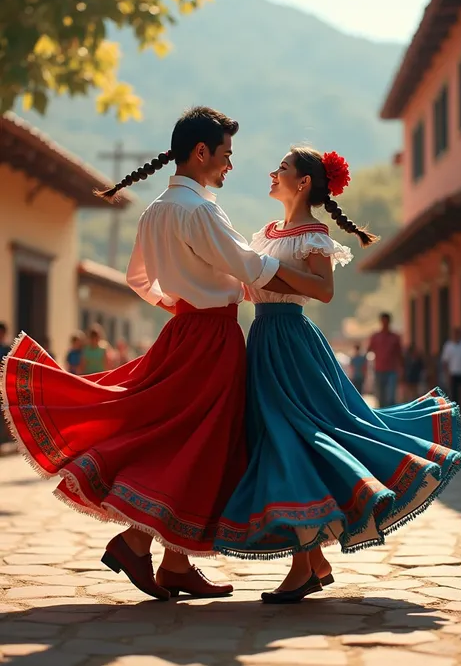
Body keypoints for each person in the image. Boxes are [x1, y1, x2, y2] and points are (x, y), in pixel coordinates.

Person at [0, 106, 301, 602]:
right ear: (200, 152)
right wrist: (306, 279)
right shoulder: (200, 210)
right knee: (202, 440)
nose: (230, 166)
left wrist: (178, 301)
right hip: (212, 338)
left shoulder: (156, 209)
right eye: (225, 155)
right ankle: (140, 543)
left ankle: (172, 560)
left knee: (178, 435)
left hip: (182, 329)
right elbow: (247, 264)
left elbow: (139, 280)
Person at [214, 146, 461, 603]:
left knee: (299, 438)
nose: (273, 173)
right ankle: (313, 561)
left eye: (283, 168)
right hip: (263, 339)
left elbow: (324, 292)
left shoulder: (314, 234)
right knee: (276, 437)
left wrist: (270, 275)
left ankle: (304, 563)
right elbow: (252, 277)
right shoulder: (265, 232)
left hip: (291, 341)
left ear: (304, 182)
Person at [368, 313, 402, 408]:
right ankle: (382, 417)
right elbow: (368, 351)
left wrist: (402, 370)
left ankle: (392, 416)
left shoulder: (395, 337)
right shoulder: (375, 337)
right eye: (383, 321)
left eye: (386, 322)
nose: (385, 324)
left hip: (392, 370)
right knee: (380, 397)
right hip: (379, 370)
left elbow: (399, 354)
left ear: (389, 322)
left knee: (391, 397)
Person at [441, 328, 461, 420]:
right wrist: (447, 374)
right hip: (453, 373)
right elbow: (445, 362)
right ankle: (455, 413)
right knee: (454, 394)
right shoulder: (448, 346)